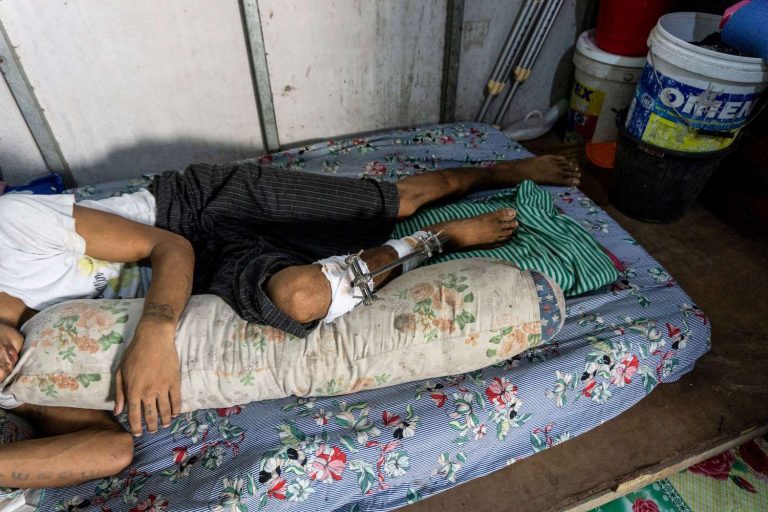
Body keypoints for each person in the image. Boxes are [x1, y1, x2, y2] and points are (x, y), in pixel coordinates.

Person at [0, 154, 580, 488]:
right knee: (304, 298)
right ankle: (436, 240)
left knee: (397, 199)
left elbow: (170, 246)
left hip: (194, 216)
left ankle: (490, 171)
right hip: (210, 283)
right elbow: (108, 449)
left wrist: (154, 333)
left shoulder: (9, 229)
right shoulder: (17, 374)